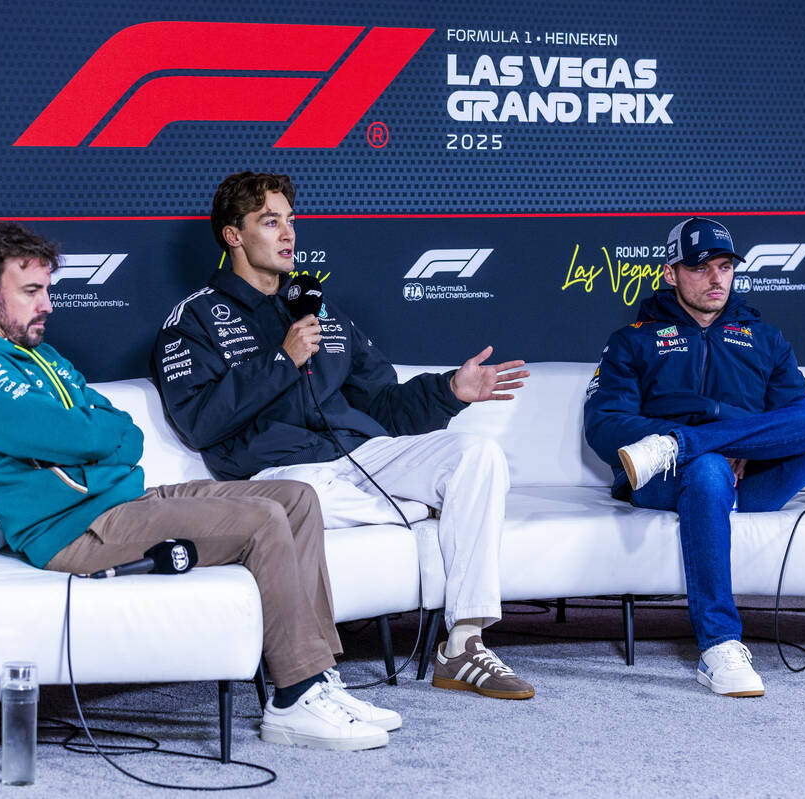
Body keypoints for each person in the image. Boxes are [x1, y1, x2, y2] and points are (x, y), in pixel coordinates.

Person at [0, 221, 400, 751]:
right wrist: (99, 439)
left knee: (293, 499)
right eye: (32, 291)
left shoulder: (37, 353)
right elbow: (80, 433)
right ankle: (294, 697)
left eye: (48, 289)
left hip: (125, 502)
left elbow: (117, 431)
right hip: (76, 532)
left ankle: (318, 677)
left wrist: (100, 439)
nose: (49, 305)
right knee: (262, 521)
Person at [151, 172, 535, 700]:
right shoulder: (194, 319)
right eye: (269, 222)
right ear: (232, 235)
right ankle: (419, 507)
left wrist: (451, 390)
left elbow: (384, 404)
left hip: (360, 456)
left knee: (478, 455)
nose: (288, 234)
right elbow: (199, 424)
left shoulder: (319, 311)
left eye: (290, 221)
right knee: (305, 500)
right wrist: (280, 360)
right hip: (280, 473)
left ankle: (464, 643)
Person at [583, 217, 805, 698]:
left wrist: (723, 440)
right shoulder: (632, 340)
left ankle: (690, 445)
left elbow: (797, 421)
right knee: (705, 468)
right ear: (670, 273)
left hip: (752, 479)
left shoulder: (766, 339)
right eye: (701, 268)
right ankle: (720, 645)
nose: (716, 278)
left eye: (724, 266)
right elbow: (603, 426)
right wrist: (708, 445)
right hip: (667, 479)